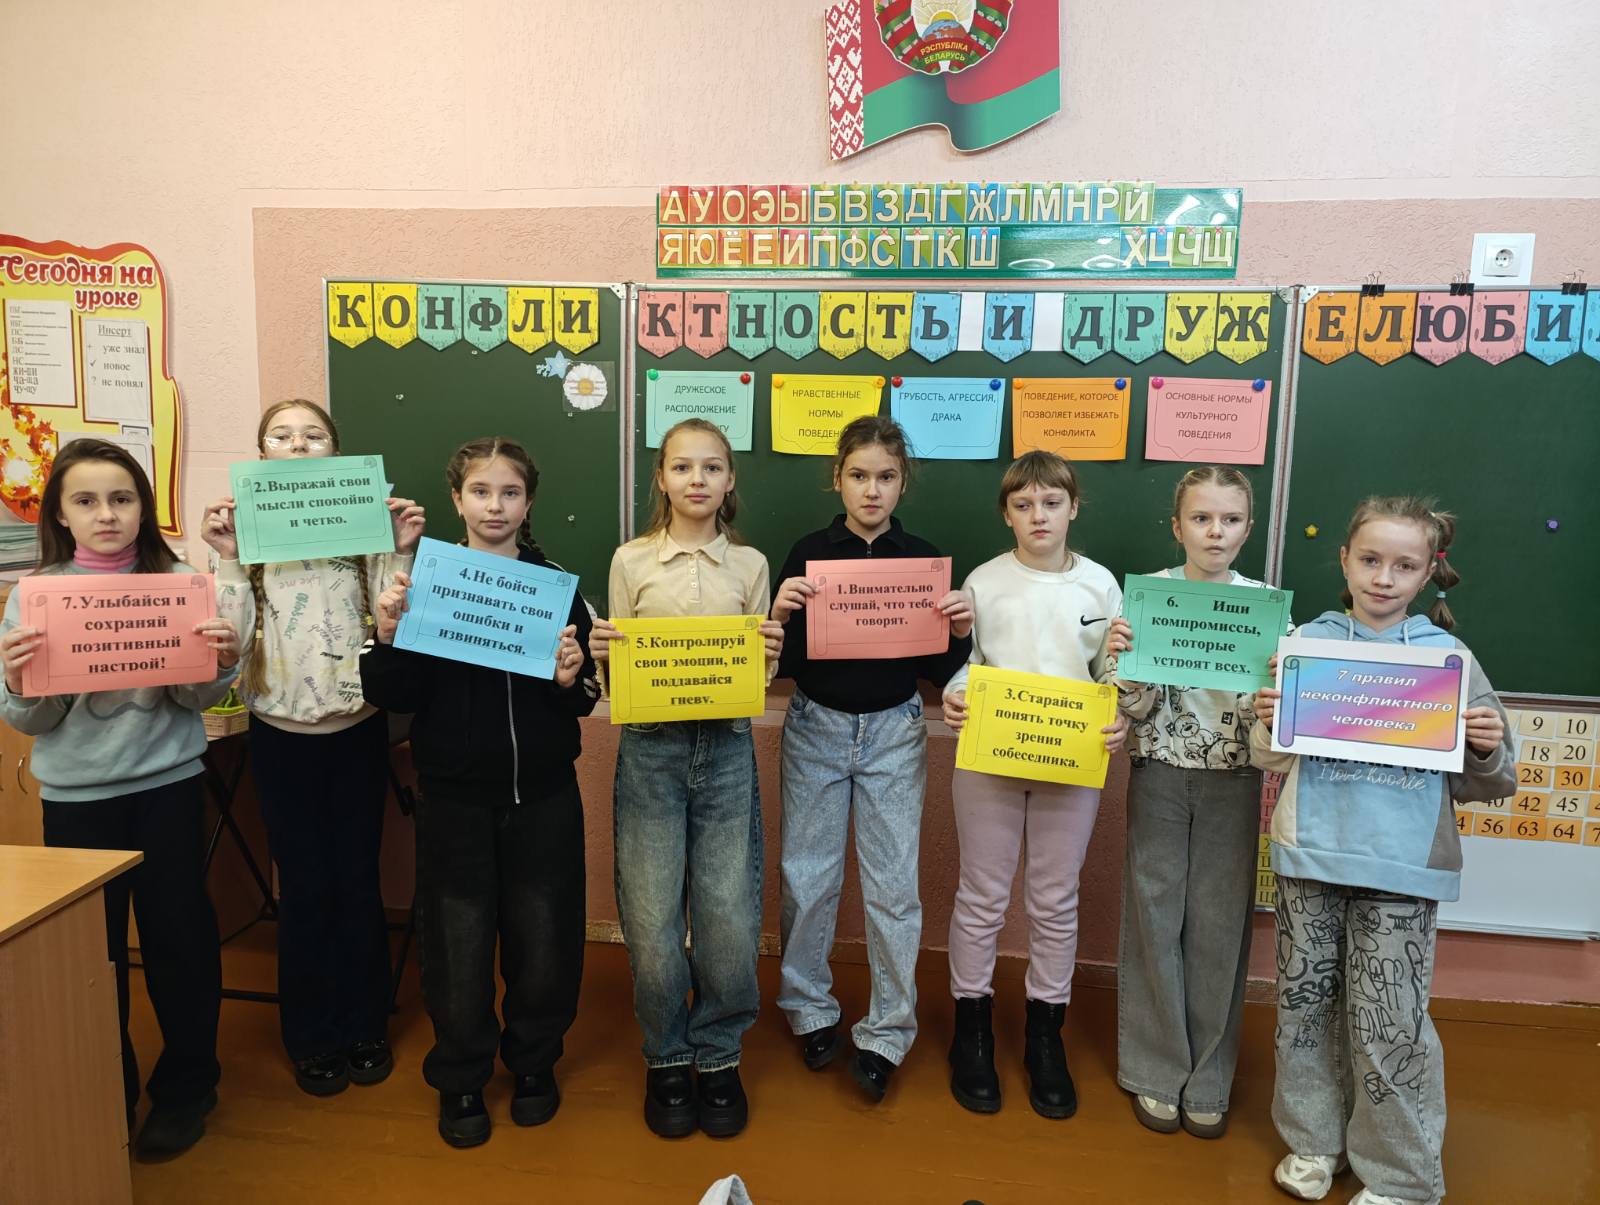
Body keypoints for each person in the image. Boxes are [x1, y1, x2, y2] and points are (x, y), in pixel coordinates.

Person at [1251, 497, 1514, 1205]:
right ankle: (1314, 1141)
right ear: (1345, 560)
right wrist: (1269, 718)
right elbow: (1268, 754)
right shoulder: (1308, 642)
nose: (1384, 577)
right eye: (1370, 560)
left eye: (1404, 565)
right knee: (1304, 1006)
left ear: (1428, 574)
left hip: (1402, 867)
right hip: (1310, 854)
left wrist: (1484, 745)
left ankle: (1400, 1175)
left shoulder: (1448, 659)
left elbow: (1492, 778)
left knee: (1388, 1021)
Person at [0, 439, 240, 1158]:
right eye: (86, 500)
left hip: (168, 787)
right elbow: (30, 720)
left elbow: (197, 699)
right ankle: (108, 1086)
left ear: (143, 507)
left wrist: (220, 664)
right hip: (77, 799)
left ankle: (188, 1086)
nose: (106, 514)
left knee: (179, 940)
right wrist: (17, 680)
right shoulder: (35, 595)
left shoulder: (180, 583)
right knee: (91, 955)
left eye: (122, 498)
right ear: (60, 514)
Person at [360, 437, 596, 1148]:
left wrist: (569, 678)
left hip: (543, 796)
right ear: (457, 500)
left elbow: (585, 697)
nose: (496, 506)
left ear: (529, 502)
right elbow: (393, 696)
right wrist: (389, 635)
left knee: (546, 938)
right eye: (481, 492)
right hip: (454, 800)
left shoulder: (556, 587)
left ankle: (533, 1062)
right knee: (456, 941)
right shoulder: (424, 581)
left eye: (510, 493)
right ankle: (461, 1074)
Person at [205, 398, 424, 1097]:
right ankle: (311, 1034)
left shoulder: (364, 530)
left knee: (357, 880)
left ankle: (365, 1024)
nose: (298, 447)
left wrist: (402, 547)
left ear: (336, 451)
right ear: (261, 454)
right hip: (281, 737)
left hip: (356, 730)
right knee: (302, 887)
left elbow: (399, 621)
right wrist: (228, 561)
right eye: (282, 436)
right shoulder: (245, 539)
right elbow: (228, 645)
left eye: (314, 436)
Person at [589, 418, 783, 1139]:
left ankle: (719, 1050)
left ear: (730, 481)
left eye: (711, 467)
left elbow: (758, 674)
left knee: (729, 911)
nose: (696, 479)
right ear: (661, 479)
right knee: (650, 912)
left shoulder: (751, 565)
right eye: (681, 467)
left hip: (726, 746)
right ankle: (667, 1051)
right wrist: (606, 651)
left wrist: (768, 650)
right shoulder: (630, 561)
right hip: (652, 749)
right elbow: (618, 676)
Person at [769, 415, 972, 1102]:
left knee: (893, 887)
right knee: (807, 876)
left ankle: (888, 1030)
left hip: (894, 731)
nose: (872, 489)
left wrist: (960, 630)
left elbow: (941, 668)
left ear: (902, 483)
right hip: (816, 726)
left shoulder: (923, 561)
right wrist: (780, 614)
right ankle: (809, 1007)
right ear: (837, 479)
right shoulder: (806, 554)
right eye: (858, 475)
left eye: (886, 476)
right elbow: (779, 662)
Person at [941, 450, 1128, 1119]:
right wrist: (956, 693)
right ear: (1007, 514)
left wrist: (1117, 714)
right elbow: (968, 661)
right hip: (989, 758)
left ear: (1073, 507)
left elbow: (1113, 672)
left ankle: (1046, 1035)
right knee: (982, 896)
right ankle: (972, 1029)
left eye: (1051, 503)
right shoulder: (983, 581)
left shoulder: (1101, 586)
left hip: (1070, 763)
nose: (1038, 516)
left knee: (1054, 900)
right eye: (1023, 505)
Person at [1108, 466, 1273, 1139]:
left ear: (1248, 529)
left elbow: (1274, 718)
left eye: (1229, 519)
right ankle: (1156, 1069)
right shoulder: (1150, 596)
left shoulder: (1265, 607)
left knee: (1218, 926)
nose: (1215, 531)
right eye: (1201, 518)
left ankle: (1208, 1075)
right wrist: (1126, 663)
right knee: (1154, 917)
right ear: (1178, 527)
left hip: (1235, 779)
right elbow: (1128, 705)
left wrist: (1277, 688)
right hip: (1159, 775)